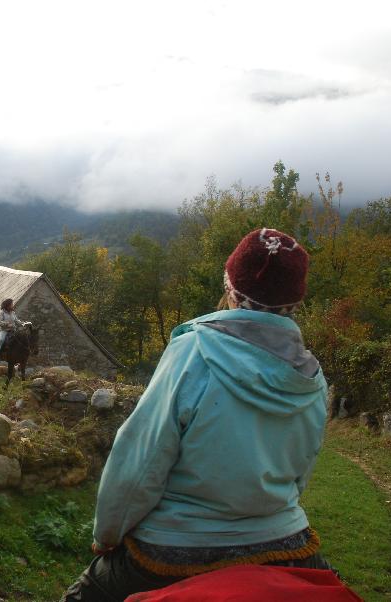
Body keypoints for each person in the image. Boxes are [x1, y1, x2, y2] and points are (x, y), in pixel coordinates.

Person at [62, 228, 333, 601]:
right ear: (296, 302)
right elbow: (300, 474)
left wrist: (107, 534)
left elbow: (141, 459)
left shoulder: (194, 352)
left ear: (231, 288)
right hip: (284, 540)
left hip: (177, 544)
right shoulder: (312, 376)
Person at [0, 297, 25, 363]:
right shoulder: (2, 313)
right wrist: (7, 324)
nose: (12, 305)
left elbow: (16, 320)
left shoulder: (13, 312)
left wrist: (23, 323)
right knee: (2, 340)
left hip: (13, 330)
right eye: (11, 304)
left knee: (20, 338)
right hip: (4, 330)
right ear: (7, 305)